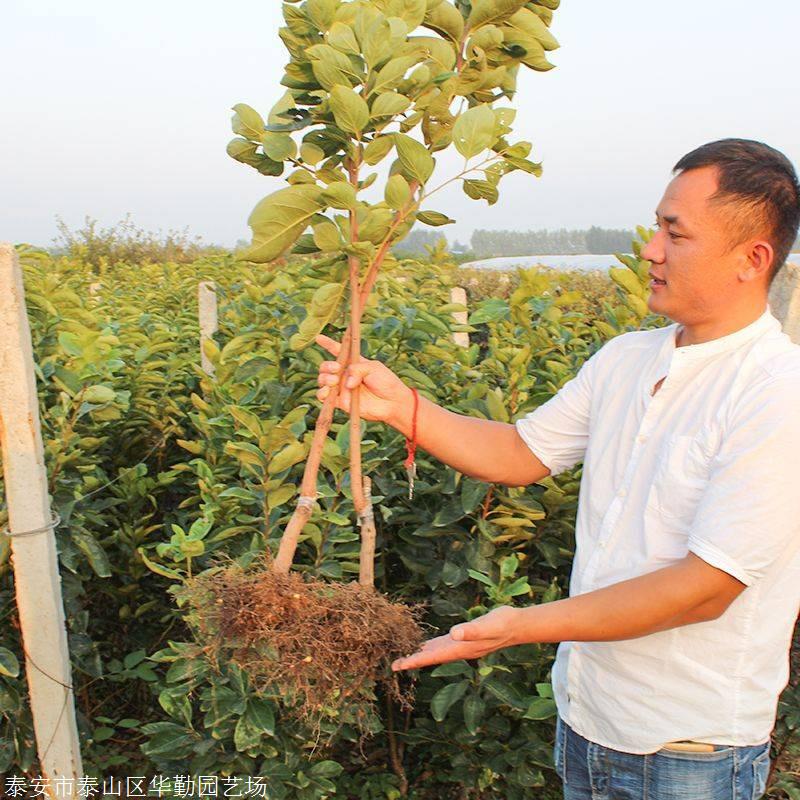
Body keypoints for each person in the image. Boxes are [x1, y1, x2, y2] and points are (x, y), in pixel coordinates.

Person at [314, 138, 800, 800]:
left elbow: (708, 586)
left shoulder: (775, 391)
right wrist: (404, 409)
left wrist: (520, 627)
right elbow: (520, 452)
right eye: (657, 224)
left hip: (689, 750)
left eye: (674, 233)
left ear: (752, 258)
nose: (651, 249)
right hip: (587, 720)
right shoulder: (626, 359)